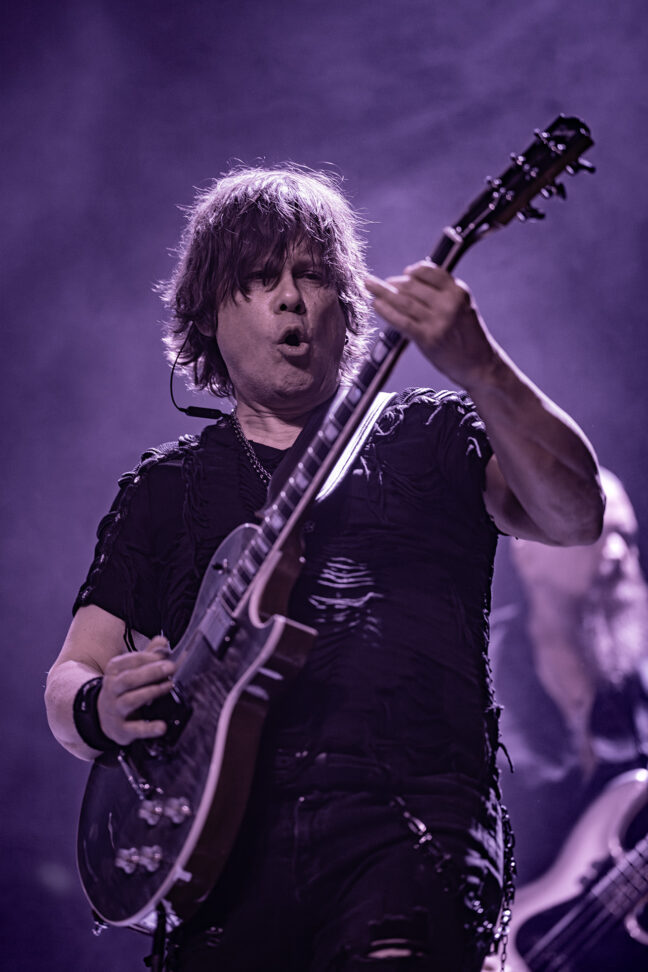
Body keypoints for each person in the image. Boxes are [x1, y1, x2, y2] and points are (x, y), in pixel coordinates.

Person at [45, 166, 604, 972]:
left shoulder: (433, 434)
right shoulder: (164, 488)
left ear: (347, 303)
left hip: (409, 835)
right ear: (206, 311)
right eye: (258, 278)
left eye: (312, 275)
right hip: (219, 867)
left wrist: (482, 367)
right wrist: (99, 706)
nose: (291, 300)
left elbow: (575, 515)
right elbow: (72, 673)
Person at [488, 469, 648, 971]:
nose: (618, 555)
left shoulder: (641, 677)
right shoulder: (473, 668)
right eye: (599, 533)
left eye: (627, 537)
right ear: (528, 552)